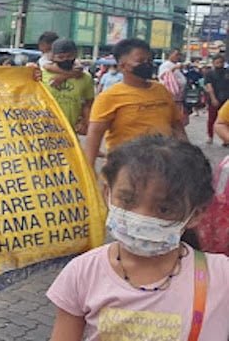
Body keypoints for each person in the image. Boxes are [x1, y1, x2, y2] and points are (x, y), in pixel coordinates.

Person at [47, 136, 229, 341]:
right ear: (107, 193)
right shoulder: (82, 272)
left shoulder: (221, 277)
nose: (142, 216)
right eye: (127, 200)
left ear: (196, 214)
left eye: (164, 209)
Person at [84, 38, 186, 168]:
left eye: (149, 60)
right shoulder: (108, 97)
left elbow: (177, 127)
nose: (147, 64)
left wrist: (187, 156)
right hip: (124, 168)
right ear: (122, 66)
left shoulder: (161, 90)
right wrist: (88, 171)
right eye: (141, 61)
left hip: (163, 167)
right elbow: (94, 136)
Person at [42, 39, 94, 134]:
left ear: (75, 55)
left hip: (70, 131)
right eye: (61, 57)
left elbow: (88, 104)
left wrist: (86, 123)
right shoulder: (41, 74)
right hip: (44, 130)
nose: (65, 60)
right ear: (53, 57)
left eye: (70, 56)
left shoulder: (85, 77)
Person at [158, 48, 189, 126]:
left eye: (179, 55)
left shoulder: (175, 65)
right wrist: (175, 68)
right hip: (170, 96)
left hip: (178, 97)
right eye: (176, 55)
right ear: (170, 55)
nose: (178, 57)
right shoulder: (166, 65)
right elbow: (163, 76)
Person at [205, 54, 229, 144]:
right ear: (213, 63)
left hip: (226, 99)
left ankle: (225, 139)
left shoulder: (227, 72)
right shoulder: (209, 73)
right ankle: (210, 136)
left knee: (226, 119)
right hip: (214, 98)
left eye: (221, 62)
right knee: (212, 119)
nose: (219, 64)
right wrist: (213, 99)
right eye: (217, 62)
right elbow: (209, 87)